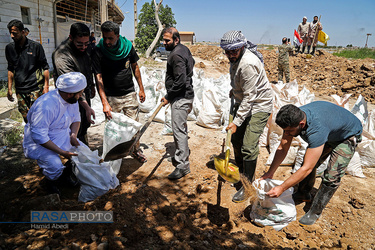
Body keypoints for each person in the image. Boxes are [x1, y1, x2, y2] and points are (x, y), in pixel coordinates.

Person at [261, 101, 362, 226]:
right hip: (331, 129)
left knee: (331, 176)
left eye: (289, 131)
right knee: (308, 161)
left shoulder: (316, 130)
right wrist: (270, 172)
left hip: (346, 135)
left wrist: (282, 188)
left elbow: (307, 168)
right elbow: (283, 147)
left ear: (301, 124)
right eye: (284, 131)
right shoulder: (294, 117)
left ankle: (315, 211)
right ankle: (303, 193)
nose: (286, 134)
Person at [220, 30, 273, 203]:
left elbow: (250, 97)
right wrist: (234, 90)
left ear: (242, 47)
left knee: (249, 147)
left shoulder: (248, 63)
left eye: (233, 51)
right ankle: (241, 174)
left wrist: (236, 121)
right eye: (227, 52)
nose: (230, 55)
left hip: (259, 105)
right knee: (236, 141)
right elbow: (240, 82)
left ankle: (247, 185)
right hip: (243, 101)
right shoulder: (235, 58)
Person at [23, 72, 87, 195]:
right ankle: (51, 181)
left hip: (61, 135)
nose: (81, 95)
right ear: (69, 93)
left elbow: (76, 119)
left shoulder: (71, 99)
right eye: (79, 93)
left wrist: (73, 135)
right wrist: (62, 152)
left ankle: (65, 177)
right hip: (41, 142)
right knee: (55, 166)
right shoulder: (46, 106)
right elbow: (39, 136)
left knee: (83, 153)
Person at [92, 21, 147, 163]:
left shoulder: (128, 47)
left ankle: (135, 150)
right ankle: (113, 155)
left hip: (129, 93)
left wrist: (141, 88)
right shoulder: (99, 51)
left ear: (117, 35)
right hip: (111, 96)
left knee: (133, 126)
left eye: (110, 38)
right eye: (105, 37)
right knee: (113, 130)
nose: (107, 41)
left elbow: (135, 67)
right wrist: (104, 103)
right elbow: (98, 77)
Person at [52, 22, 96, 146]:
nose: (83, 47)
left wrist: (91, 85)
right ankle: (75, 158)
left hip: (83, 95)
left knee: (84, 125)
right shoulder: (62, 55)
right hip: (70, 99)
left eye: (86, 44)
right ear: (71, 38)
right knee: (72, 130)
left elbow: (88, 67)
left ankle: (83, 151)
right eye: (79, 44)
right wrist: (87, 107)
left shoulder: (85, 49)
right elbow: (72, 87)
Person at [160, 27, 195, 180]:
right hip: (183, 96)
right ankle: (178, 156)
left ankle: (183, 166)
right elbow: (191, 65)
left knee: (179, 131)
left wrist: (168, 95)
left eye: (167, 40)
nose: (164, 43)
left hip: (181, 98)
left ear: (176, 40)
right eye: (163, 39)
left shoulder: (176, 55)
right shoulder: (183, 49)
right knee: (178, 129)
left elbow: (180, 80)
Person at [5, 19, 50, 123]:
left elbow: (45, 67)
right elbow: (10, 69)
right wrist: (9, 88)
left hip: (35, 88)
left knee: (38, 117)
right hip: (20, 90)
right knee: (27, 119)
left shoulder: (36, 47)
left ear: (23, 32)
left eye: (14, 33)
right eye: (10, 33)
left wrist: (46, 87)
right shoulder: (9, 48)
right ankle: (31, 137)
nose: (12, 36)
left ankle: (43, 138)